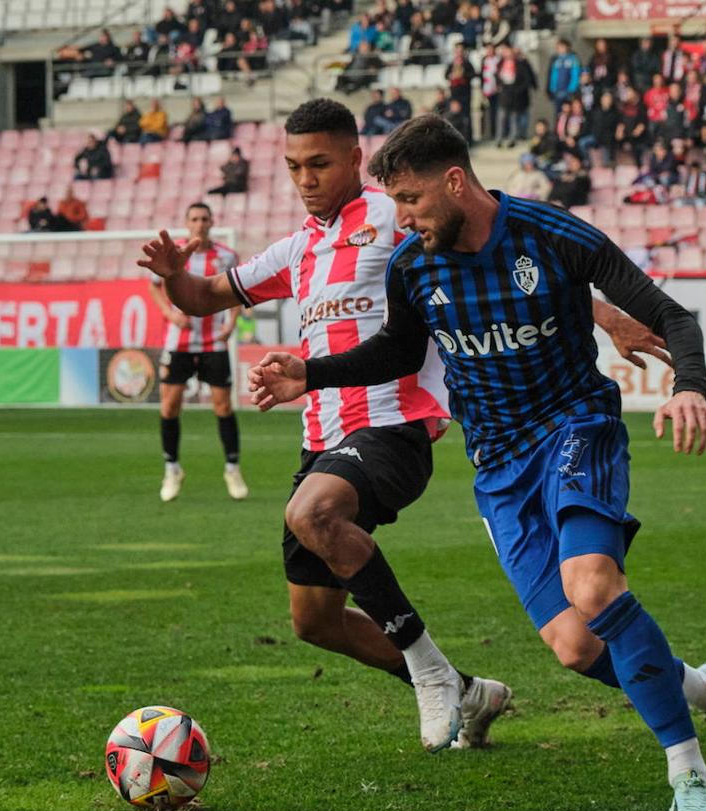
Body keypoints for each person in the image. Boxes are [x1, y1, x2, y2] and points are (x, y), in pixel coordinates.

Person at [247, 114, 706, 811]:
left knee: (592, 584)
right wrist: (311, 373)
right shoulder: (414, 264)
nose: (399, 218)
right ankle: (705, 689)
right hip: (498, 465)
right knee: (573, 646)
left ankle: (689, 772)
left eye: (409, 199)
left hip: (574, 429)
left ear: (455, 182)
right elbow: (400, 353)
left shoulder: (551, 234)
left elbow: (671, 315)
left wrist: (690, 386)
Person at [139, 99, 515, 755]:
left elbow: (492, 259)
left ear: (353, 157)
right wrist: (176, 277)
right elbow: (204, 297)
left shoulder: (394, 218)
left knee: (310, 514)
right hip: (325, 441)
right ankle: (469, 689)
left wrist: (599, 313)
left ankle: (428, 672)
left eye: (318, 163)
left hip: (397, 424)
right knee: (314, 621)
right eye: (292, 167)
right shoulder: (299, 248)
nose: (305, 178)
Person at [145, 203, 248, 503]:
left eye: (204, 219)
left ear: (212, 222)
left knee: (223, 406)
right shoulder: (174, 253)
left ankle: (232, 468)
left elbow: (236, 290)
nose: (200, 224)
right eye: (194, 219)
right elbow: (153, 285)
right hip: (179, 342)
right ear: (186, 223)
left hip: (213, 342)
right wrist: (169, 313)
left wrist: (232, 321)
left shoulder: (226, 255)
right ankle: (172, 469)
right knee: (169, 407)